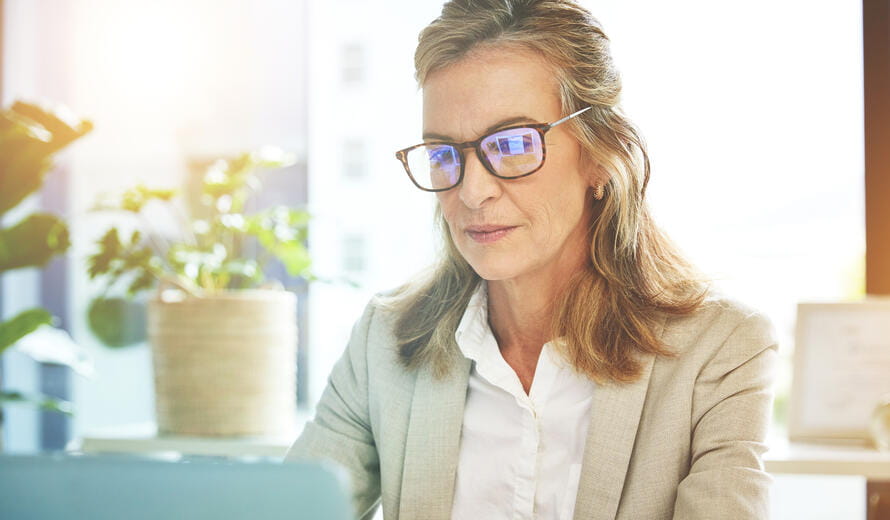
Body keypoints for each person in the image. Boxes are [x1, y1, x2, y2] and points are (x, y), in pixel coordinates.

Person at [286, 1, 777, 519]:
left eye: (514, 143)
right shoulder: (384, 340)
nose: (472, 192)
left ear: (599, 154)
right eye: (442, 154)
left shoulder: (720, 350)